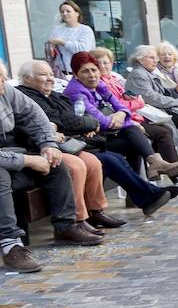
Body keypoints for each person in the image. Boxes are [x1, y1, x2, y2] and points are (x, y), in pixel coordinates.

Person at [17, 59, 174, 222]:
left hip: (75, 141)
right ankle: (144, 195)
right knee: (108, 158)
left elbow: (78, 117)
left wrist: (88, 123)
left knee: (119, 152)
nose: (50, 78)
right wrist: (91, 124)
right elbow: (68, 121)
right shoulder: (29, 97)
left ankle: (142, 196)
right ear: (27, 79)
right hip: (54, 146)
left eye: (51, 74)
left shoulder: (55, 95)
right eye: (43, 75)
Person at [0, 61, 102, 273]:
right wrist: (28, 161)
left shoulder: (6, 91)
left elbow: (34, 115)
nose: (4, 85)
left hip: (10, 151)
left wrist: (48, 144)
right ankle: (10, 245)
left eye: (3, 78)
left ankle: (65, 226)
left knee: (55, 164)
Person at [63, 52, 178, 181]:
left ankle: (152, 169)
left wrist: (122, 114)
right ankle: (150, 173)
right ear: (75, 74)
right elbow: (103, 122)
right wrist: (130, 122)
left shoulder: (99, 85)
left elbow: (121, 107)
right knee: (134, 135)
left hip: (106, 132)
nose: (92, 75)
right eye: (85, 71)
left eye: (94, 70)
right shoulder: (75, 92)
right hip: (90, 138)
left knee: (135, 138)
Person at [45, 0, 97, 76]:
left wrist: (62, 42)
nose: (64, 14)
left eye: (68, 11)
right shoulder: (57, 29)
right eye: (62, 12)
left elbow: (83, 50)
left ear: (77, 13)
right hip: (61, 72)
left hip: (81, 71)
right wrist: (51, 47)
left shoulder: (85, 29)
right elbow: (51, 51)